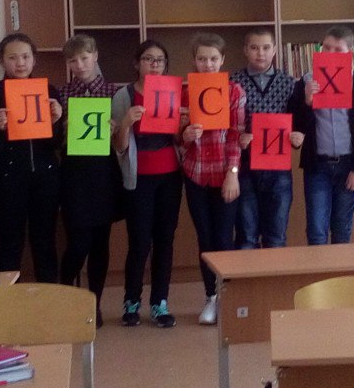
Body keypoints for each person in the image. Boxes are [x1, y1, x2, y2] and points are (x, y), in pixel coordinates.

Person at [0, 33, 63, 282]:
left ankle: (48, 296)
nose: (20, 63)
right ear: (2, 61)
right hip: (8, 178)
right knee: (10, 241)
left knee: (45, 240)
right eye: (12, 58)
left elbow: (55, 144)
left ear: (34, 59)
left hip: (46, 176)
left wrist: (55, 122)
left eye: (25, 57)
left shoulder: (48, 91)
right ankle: (6, 300)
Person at [56, 35, 125, 326]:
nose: (80, 65)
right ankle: (65, 297)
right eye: (73, 60)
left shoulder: (115, 92)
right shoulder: (62, 94)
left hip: (103, 174)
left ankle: (94, 304)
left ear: (95, 56)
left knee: (100, 243)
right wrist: (62, 129)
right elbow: (53, 141)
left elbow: (123, 142)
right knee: (77, 242)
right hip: (74, 175)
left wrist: (117, 128)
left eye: (84, 58)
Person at [114, 40, 183, 327]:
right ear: (137, 63)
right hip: (138, 177)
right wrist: (126, 122)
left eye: (159, 60)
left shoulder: (172, 91)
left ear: (165, 65)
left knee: (165, 239)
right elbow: (119, 147)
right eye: (148, 59)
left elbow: (178, 139)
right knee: (140, 241)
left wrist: (182, 125)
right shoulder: (124, 95)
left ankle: (160, 303)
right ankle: (131, 301)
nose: (154, 65)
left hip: (170, 176)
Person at [287, 25, 354, 245]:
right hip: (318, 166)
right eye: (326, 47)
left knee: (342, 228)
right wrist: (307, 102)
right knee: (316, 229)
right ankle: (318, 269)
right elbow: (296, 126)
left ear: (349, 53)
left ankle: (340, 269)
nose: (330, 53)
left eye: (338, 49)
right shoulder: (306, 82)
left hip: (348, 165)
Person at [181, 33, 244, 325]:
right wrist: (185, 135)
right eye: (202, 59)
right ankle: (211, 297)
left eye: (213, 59)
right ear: (194, 60)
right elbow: (176, 136)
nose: (208, 64)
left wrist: (233, 173)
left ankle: (226, 299)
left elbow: (235, 136)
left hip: (224, 175)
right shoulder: (185, 92)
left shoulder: (234, 92)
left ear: (222, 60)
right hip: (195, 175)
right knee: (205, 239)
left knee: (224, 238)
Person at [231, 28, 298, 249]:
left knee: (276, 237)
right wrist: (239, 136)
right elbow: (226, 124)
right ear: (245, 50)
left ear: (275, 50)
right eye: (254, 48)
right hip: (245, 167)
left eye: (266, 47)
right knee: (246, 237)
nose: (261, 53)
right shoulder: (233, 82)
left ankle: (274, 274)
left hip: (278, 169)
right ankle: (248, 274)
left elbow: (298, 121)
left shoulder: (289, 83)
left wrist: (297, 135)